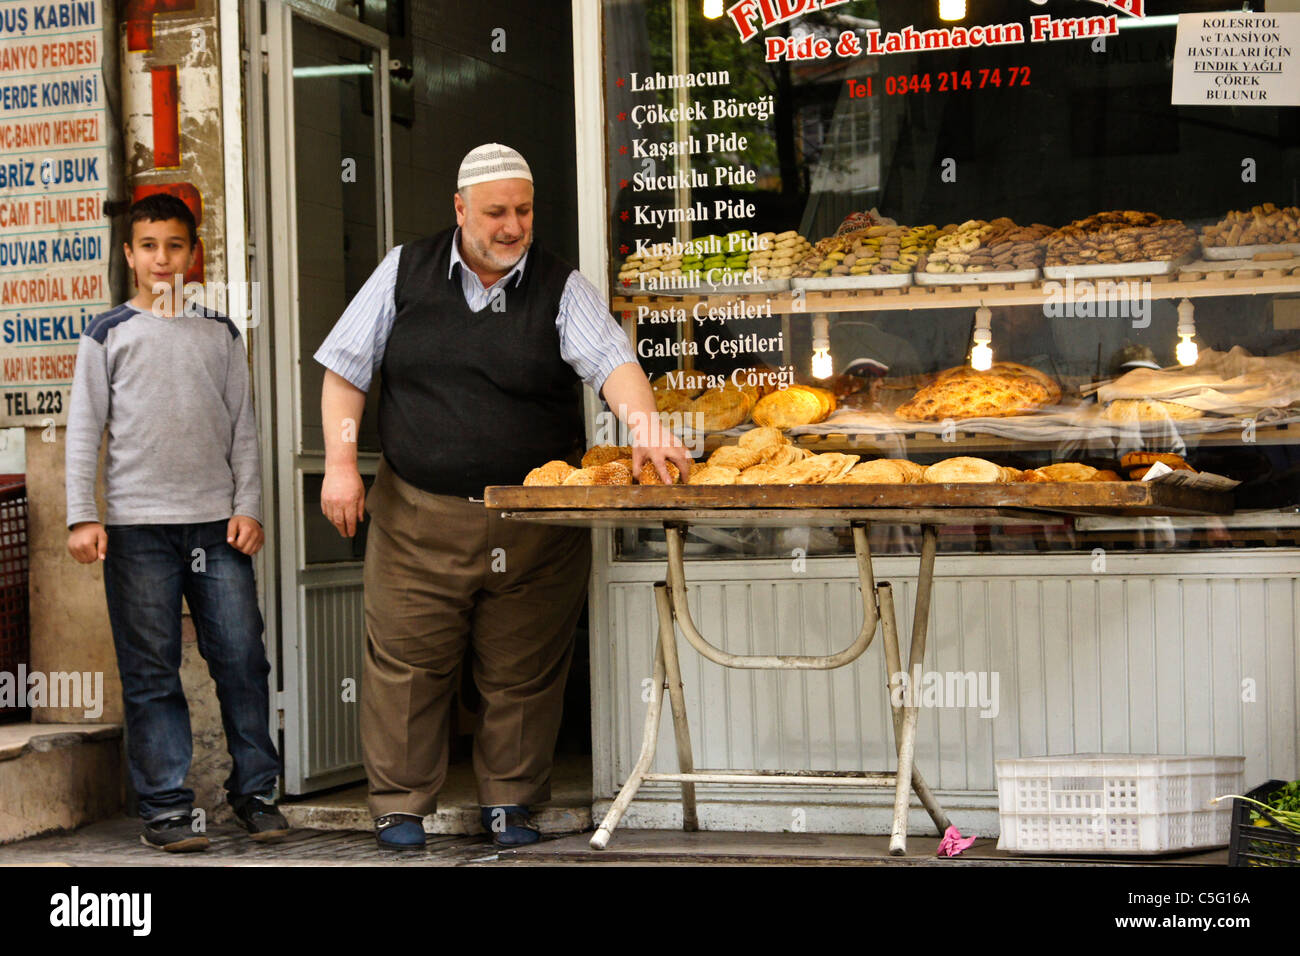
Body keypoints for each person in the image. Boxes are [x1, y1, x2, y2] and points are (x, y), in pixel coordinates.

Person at [315, 143, 689, 849]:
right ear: (460, 210)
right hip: (417, 514)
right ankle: (399, 805)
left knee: (523, 666)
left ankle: (509, 804)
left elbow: (614, 361)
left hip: (531, 521)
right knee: (406, 663)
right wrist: (340, 463)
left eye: (523, 210)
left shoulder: (560, 285)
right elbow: (345, 369)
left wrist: (644, 426)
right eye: (496, 212)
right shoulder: (403, 272)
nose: (513, 225)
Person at [64, 193, 289, 851]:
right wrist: (84, 516)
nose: (163, 259)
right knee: (151, 669)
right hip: (137, 532)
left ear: (195, 254)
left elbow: (243, 432)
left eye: (176, 246)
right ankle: (165, 808)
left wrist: (248, 507)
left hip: (217, 529)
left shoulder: (220, 333)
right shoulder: (107, 334)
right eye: (149, 247)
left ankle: (256, 795)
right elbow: (84, 431)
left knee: (243, 659)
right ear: (130, 255)